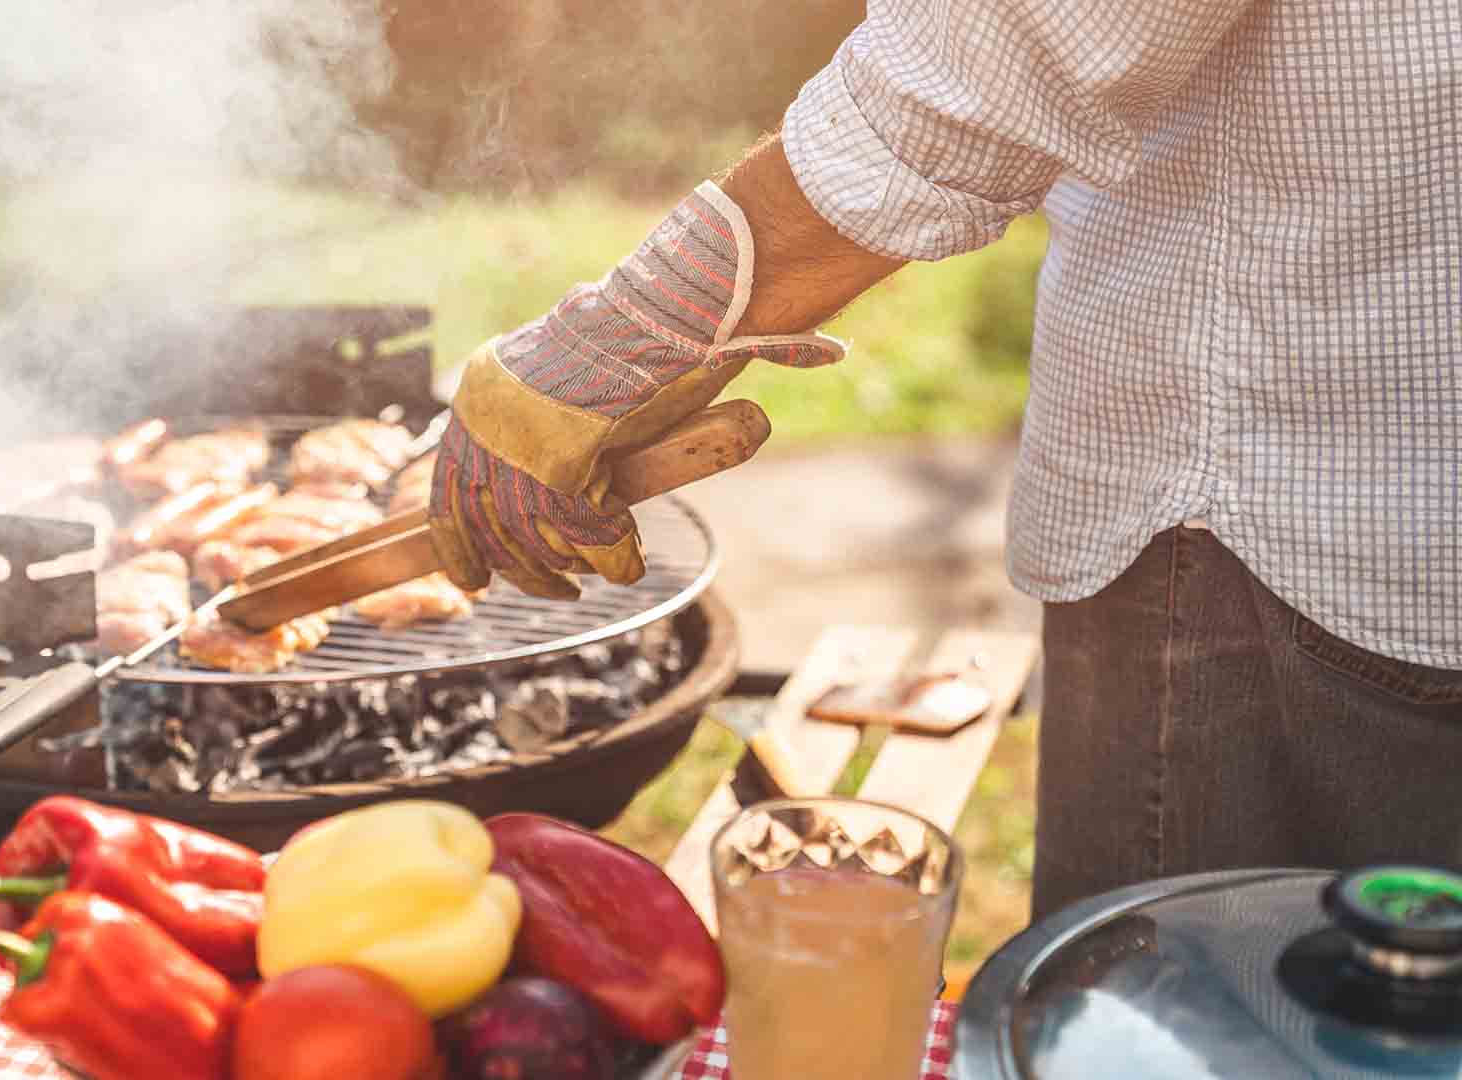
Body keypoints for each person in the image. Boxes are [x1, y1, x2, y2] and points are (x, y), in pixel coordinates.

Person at [427, 0, 1462, 919]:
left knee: (1188, 1023)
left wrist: (602, 352)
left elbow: (980, 70)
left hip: (1272, 527)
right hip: (1394, 522)